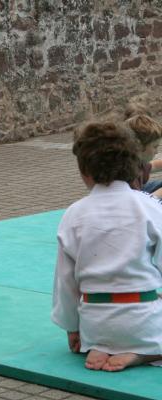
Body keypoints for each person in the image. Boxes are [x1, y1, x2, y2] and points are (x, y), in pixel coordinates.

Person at [52, 122, 162, 372]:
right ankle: (144, 353)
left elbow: (65, 283)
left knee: (105, 320)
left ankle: (102, 345)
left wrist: (73, 328)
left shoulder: (73, 214)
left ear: (84, 171)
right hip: (144, 320)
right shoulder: (149, 207)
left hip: (94, 325)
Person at [123, 103, 162, 193]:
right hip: (135, 201)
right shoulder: (127, 172)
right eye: (155, 147)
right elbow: (140, 203)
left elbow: (153, 166)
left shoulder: (137, 159)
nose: (156, 152)